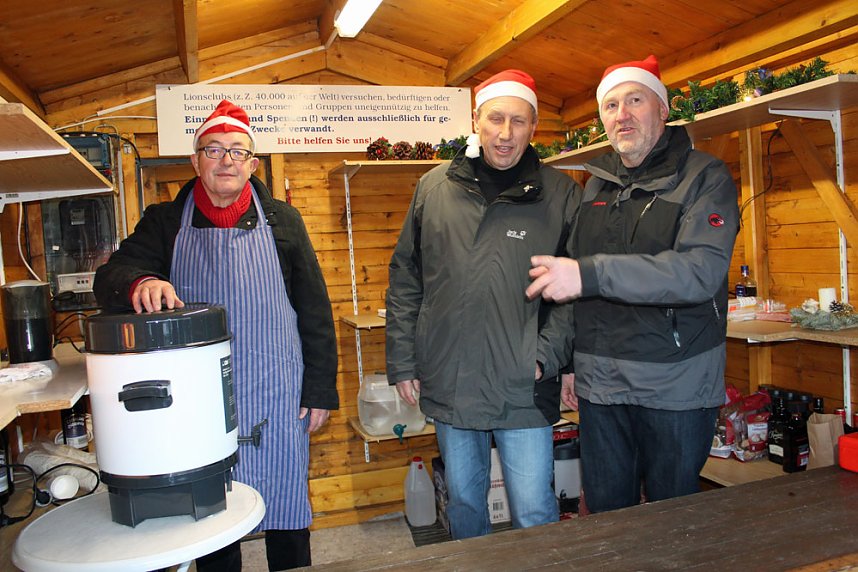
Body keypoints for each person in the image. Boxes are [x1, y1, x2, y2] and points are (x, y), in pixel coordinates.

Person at [93, 100, 338, 570]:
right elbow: (111, 275)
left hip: (278, 394)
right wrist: (140, 282)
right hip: (201, 403)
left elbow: (314, 310)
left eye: (237, 151)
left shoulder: (283, 220)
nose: (227, 159)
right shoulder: (165, 222)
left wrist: (320, 390)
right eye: (214, 149)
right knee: (211, 522)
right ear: (195, 161)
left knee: (286, 511)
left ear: (252, 163)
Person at [526, 55, 739, 513]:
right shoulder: (596, 186)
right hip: (601, 380)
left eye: (635, 101)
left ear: (662, 109)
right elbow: (574, 286)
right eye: (610, 106)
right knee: (608, 513)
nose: (621, 115)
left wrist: (589, 273)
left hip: (675, 380)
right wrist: (569, 363)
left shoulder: (705, 177)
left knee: (672, 516)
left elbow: (698, 272)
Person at [385, 70, 580, 539]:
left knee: (534, 509)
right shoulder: (433, 188)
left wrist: (543, 358)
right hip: (451, 378)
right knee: (467, 502)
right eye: (496, 119)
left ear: (534, 127)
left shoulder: (561, 194)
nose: (506, 133)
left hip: (523, 384)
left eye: (519, 121)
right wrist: (403, 361)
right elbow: (406, 277)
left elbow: (575, 292)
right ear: (476, 119)